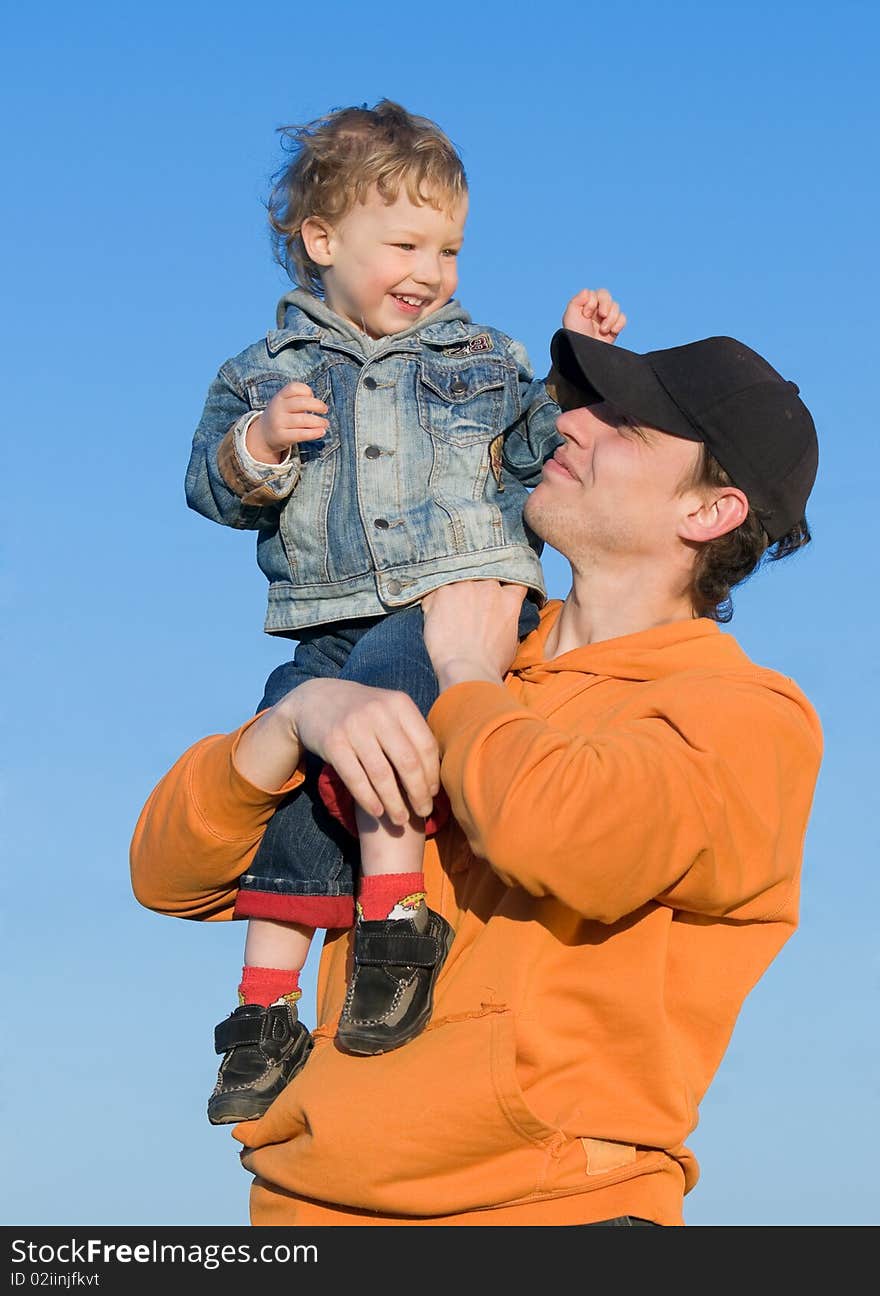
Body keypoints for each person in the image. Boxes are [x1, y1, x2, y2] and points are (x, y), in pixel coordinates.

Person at [132, 323, 822, 1226]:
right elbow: (169, 876)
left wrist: (464, 681)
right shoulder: (428, 653)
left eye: (629, 428)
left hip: (551, 1213)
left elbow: (562, 839)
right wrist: (294, 721)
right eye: (590, 406)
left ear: (708, 512)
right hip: (306, 1212)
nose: (574, 425)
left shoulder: (741, 716)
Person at [184, 96, 626, 1125]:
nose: (432, 270)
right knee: (291, 781)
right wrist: (255, 448)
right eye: (406, 243)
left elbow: (526, 452)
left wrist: (569, 369)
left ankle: (395, 916)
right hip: (324, 616)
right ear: (322, 240)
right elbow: (208, 491)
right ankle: (263, 1005)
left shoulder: (477, 354)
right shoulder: (263, 374)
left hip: (459, 595)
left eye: (451, 247)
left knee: (376, 719)